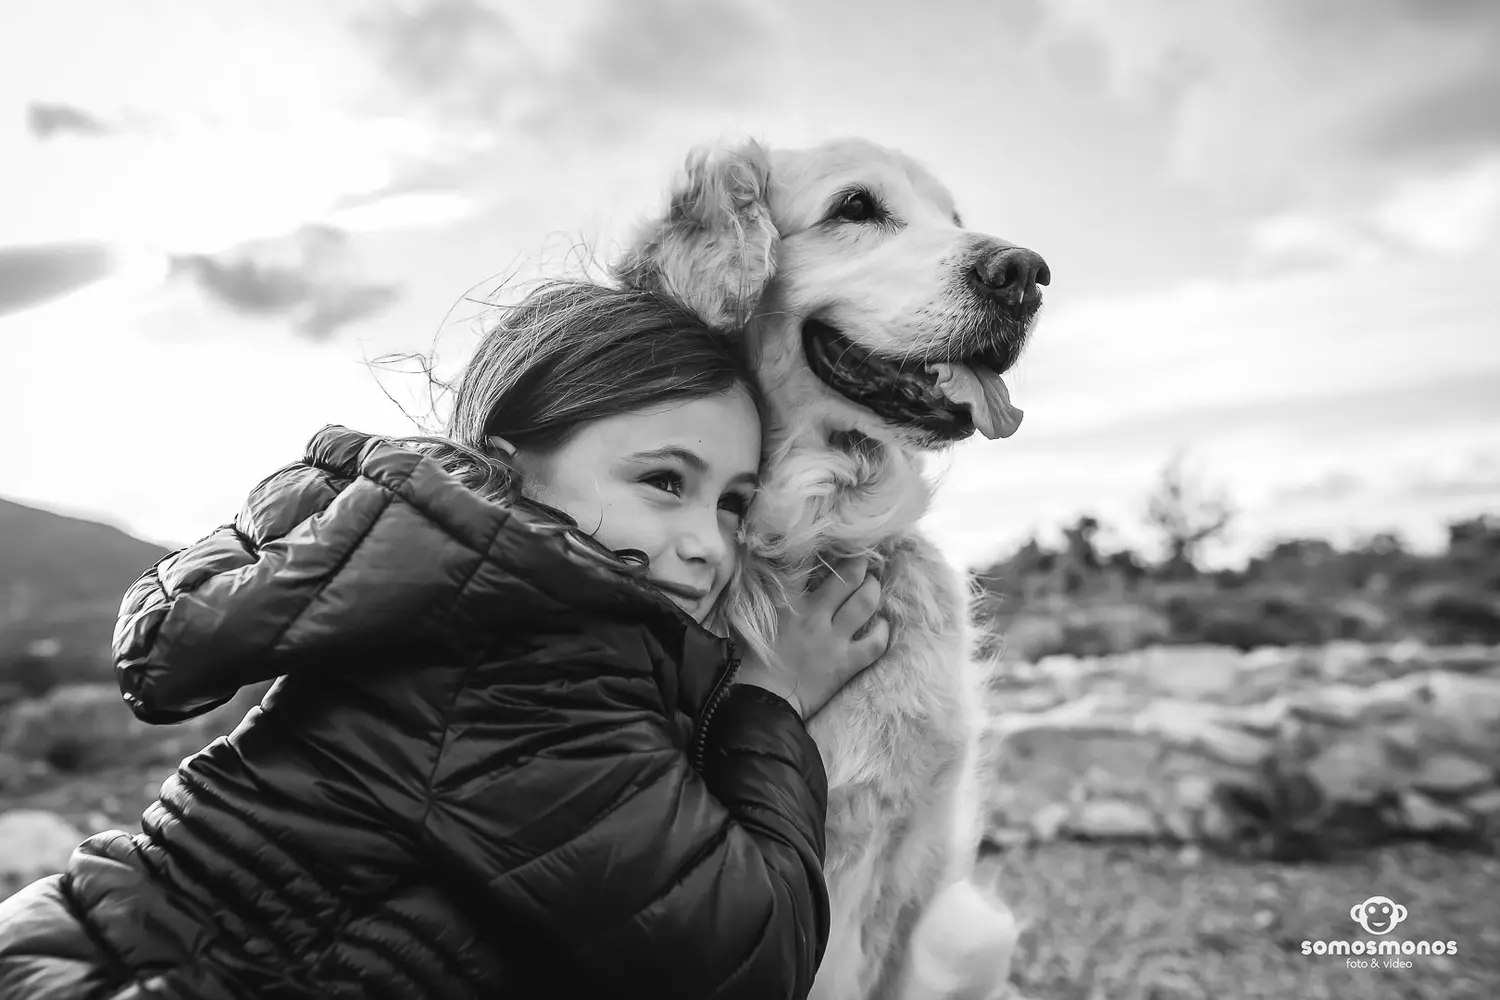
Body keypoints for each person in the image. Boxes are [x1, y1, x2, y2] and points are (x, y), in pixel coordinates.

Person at [0, 280, 891, 1000]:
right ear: (510, 463)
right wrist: (770, 700)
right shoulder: (528, 668)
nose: (706, 541)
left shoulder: (459, 609)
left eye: (732, 501)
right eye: (664, 480)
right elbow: (747, 960)